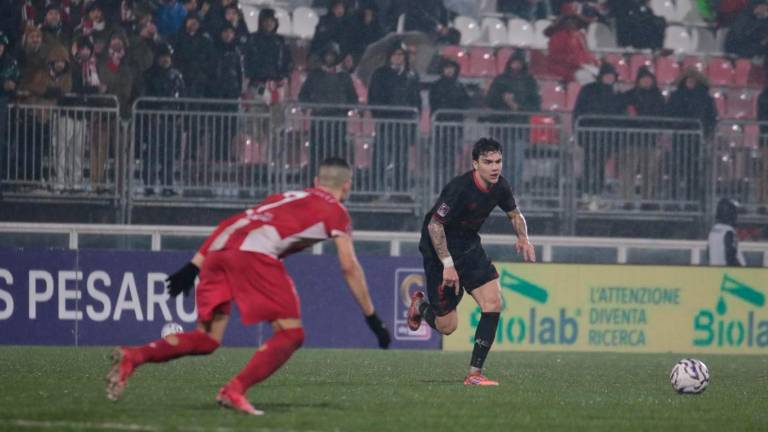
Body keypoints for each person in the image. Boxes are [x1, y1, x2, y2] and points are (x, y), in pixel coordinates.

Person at [106, 158, 391, 414]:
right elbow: (349, 266)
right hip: (253, 254)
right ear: (347, 186)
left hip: (218, 250)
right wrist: (372, 318)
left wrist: (194, 264)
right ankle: (234, 390)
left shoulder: (285, 196)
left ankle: (134, 356)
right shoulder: (337, 212)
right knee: (291, 334)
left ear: (316, 182)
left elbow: (233, 222)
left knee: (207, 339)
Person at [407, 138, 536, 386]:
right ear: (475, 164)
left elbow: (514, 213)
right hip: (438, 250)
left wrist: (523, 237)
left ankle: (474, 374)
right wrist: (447, 264)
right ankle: (420, 306)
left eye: (498, 161)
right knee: (447, 326)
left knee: (493, 302)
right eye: (488, 162)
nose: (495, 167)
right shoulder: (459, 189)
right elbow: (435, 226)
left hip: (468, 246)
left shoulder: (501, 186)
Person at [708, 198, 746, 266]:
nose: (736, 216)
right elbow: (730, 257)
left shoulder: (713, 230)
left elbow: (708, 253)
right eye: (734, 212)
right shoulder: (728, 231)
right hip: (728, 274)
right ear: (729, 214)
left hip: (715, 272)